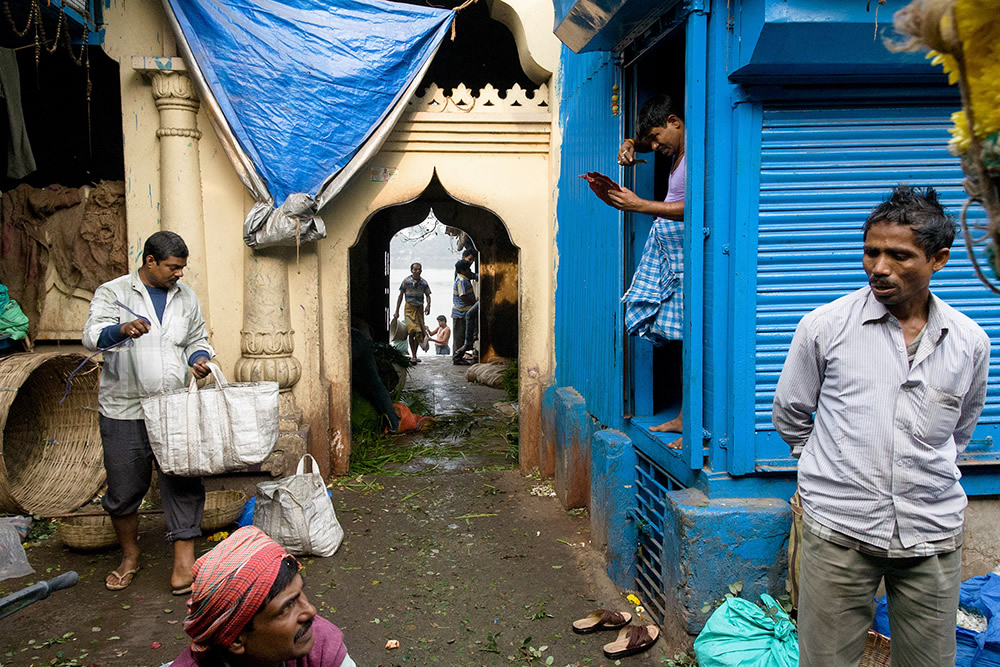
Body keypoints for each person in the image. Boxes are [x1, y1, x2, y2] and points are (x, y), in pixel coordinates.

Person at [772, 185, 990, 667]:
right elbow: (790, 412)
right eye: (871, 252)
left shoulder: (969, 342)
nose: (879, 267)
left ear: (939, 260)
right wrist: (827, 466)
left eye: (899, 255)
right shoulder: (825, 327)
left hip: (930, 533)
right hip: (838, 529)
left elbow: (959, 432)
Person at [82, 231, 214, 595]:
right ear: (150, 261)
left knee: (183, 481)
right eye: (173, 267)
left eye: (183, 268)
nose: (180, 275)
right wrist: (120, 329)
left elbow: (196, 339)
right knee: (124, 489)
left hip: (173, 406)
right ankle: (129, 555)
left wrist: (198, 359)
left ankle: (184, 564)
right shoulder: (114, 292)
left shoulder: (185, 297)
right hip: (124, 408)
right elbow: (92, 335)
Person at [603, 94, 686, 446]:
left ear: (674, 121)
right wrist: (629, 144)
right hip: (676, 257)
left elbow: (698, 206)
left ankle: (694, 423)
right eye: (649, 142)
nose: (653, 147)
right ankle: (685, 418)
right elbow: (646, 142)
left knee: (697, 339)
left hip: (692, 258)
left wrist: (640, 205)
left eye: (656, 138)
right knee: (684, 337)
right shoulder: (675, 147)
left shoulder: (699, 148)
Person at [170, 526, 355, 667]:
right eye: (287, 607)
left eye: (300, 594)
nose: (310, 611)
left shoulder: (320, 643)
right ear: (235, 640)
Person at [393, 262, 431, 363]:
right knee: (411, 331)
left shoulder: (424, 283)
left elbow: (428, 295)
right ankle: (413, 355)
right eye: (415, 269)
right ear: (411, 270)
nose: (417, 271)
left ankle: (415, 354)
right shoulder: (406, 281)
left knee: (418, 332)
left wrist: (428, 306)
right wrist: (396, 311)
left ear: (421, 270)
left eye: (419, 269)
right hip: (409, 308)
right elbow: (400, 296)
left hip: (419, 308)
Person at [451, 259, 477, 366]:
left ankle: (458, 357)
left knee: (461, 337)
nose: (470, 271)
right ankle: (457, 358)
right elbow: (463, 296)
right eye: (468, 269)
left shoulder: (463, 278)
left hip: (462, 313)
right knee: (459, 338)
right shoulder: (462, 281)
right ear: (463, 270)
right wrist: (475, 302)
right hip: (461, 313)